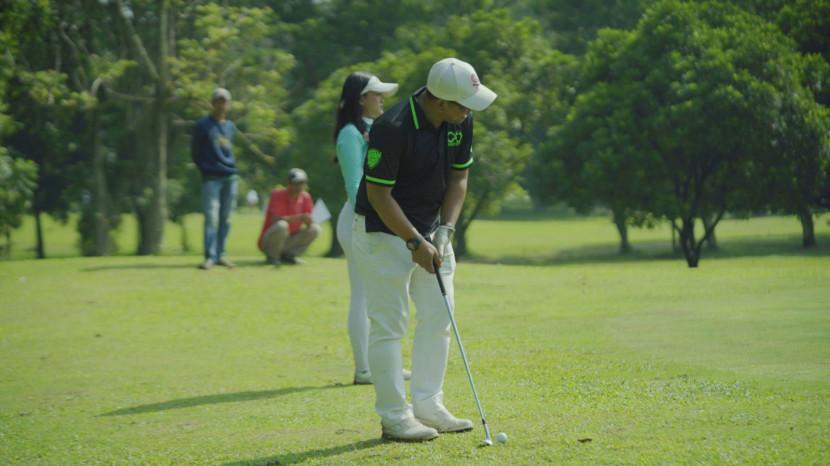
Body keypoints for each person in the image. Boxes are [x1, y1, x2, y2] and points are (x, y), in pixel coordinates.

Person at [351, 58, 497, 442]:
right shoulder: (392, 128)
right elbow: (378, 194)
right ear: (441, 102)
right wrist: (415, 241)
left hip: (432, 229)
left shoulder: (460, 121)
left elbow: (459, 177)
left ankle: (429, 404)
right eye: (464, 104)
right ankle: (394, 418)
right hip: (383, 231)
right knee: (389, 325)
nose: (469, 111)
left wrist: (445, 229)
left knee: (438, 316)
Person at [333, 72, 405, 385]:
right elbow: (354, 186)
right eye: (377, 93)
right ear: (361, 98)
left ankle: (382, 366)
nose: (382, 99)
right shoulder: (350, 134)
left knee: (378, 295)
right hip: (358, 219)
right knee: (363, 295)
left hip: (373, 218)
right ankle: (364, 369)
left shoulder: (373, 129)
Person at [191, 87, 238, 270]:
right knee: (211, 217)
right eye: (218, 101)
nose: (221, 105)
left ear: (228, 105)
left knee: (226, 218)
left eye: (224, 102)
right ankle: (210, 256)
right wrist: (205, 169)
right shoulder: (203, 125)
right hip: (211, 177)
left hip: (230, 176)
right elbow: (195, 152)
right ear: (212, 103)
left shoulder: (230, 127)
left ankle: (221, 254)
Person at [258, 168, 320, 265]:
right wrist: (300, 217)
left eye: (301, 183)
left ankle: (289, 256)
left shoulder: (306, 197)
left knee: (315, 229)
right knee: (282, 225)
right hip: (268, 242)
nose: (299, 186)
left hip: (288, 239)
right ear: (289, 183)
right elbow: (275, 219)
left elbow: (310, 221)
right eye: (296, 183)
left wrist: (309, 221)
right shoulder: (277, 194)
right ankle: (272, 257)